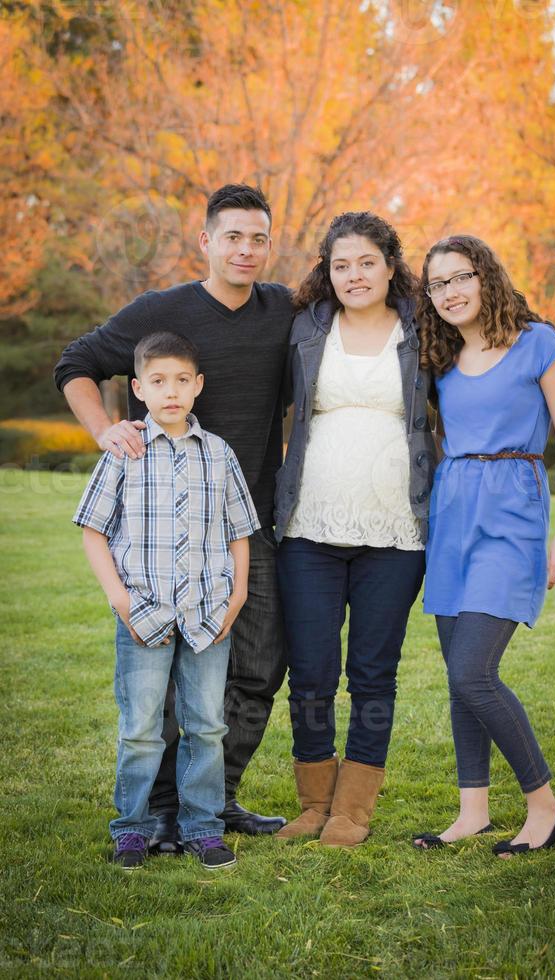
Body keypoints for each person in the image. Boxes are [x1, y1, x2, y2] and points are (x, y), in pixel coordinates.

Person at [55, 184, 292, 844]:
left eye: (258, 238)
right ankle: (160, 808)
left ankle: (214, 800)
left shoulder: (284, 312)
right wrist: (104, 428)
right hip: (164, 537)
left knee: (260, 666)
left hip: (250, 525)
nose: (246, 250)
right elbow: (76, 363)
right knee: (160, 674)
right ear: (205, 242)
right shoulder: (162, 311)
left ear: (269, 245)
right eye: (233, 237)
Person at [412, 235, 555, 857]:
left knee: (473, 671)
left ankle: (543, 806)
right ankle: (473, 812)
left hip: (512, 513)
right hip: (452, 513)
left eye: (460, 278)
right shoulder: (441, 358)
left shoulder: (538, 343)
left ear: (486, 277)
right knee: (458, 676)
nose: (450, 292)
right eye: (437, 285)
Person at [274, 212, 436, 847]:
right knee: (311, 669)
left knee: (373, 672)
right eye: (341, 264)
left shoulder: (424, 329)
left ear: (391, 266)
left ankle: (353, 812)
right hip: (309, 528)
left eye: (367, 261)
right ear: (327, 271)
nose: (354, 275)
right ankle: (315, 802)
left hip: (396, 533)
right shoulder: (305, 329)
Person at [73, 332, 261, 870]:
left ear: (198, 386)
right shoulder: (124, 451)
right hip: (144, 614)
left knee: (206, 724)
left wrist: (238, 593)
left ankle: (203, 827)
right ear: (139, 388)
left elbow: (239, 531)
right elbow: (93, 530)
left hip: (207, 613)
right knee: (141, 728)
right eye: (158, 382)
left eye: (182, 380)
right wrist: (121, 601)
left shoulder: (218, 454)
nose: (171, 391)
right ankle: (132, 828)